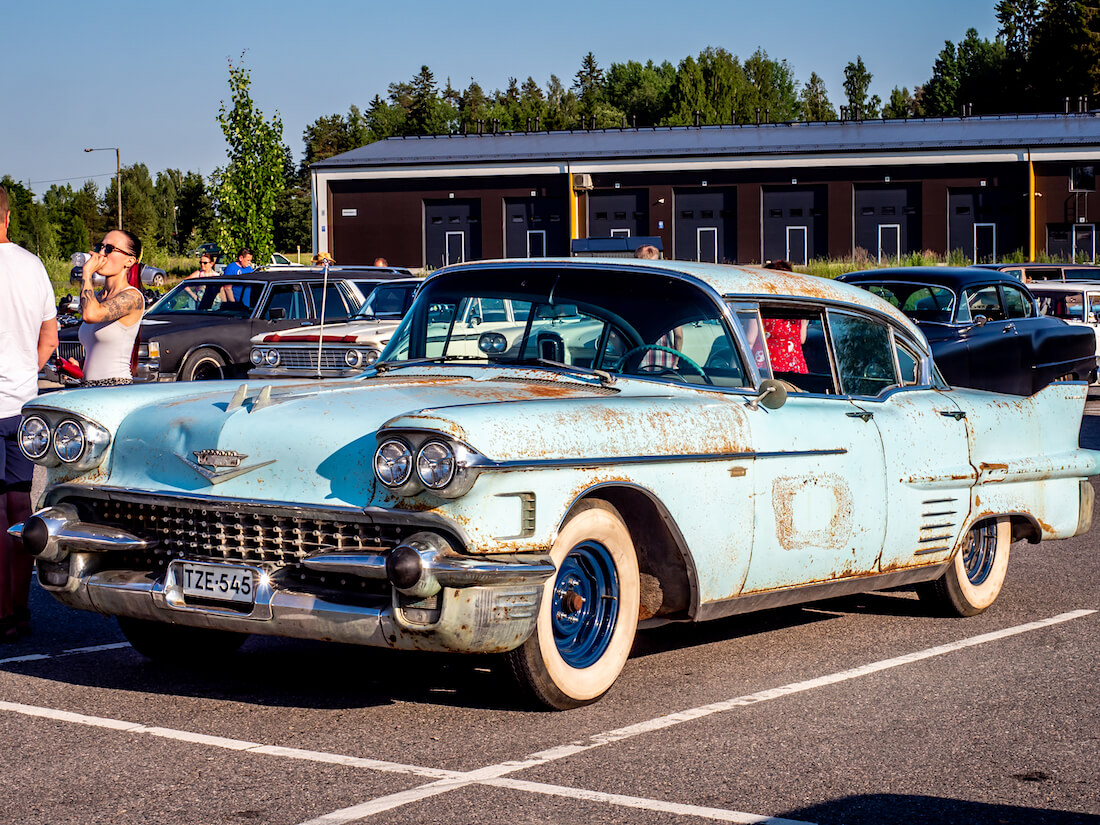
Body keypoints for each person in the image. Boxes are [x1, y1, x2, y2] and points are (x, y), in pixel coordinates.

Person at [0, 185, 58, 641]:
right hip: (22, 406)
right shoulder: (33, 265)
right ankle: (19, 609)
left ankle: (3, 610)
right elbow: (51, 338)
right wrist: (25, 373)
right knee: (20, 505)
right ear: (8, 216)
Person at [77, 230, 145, 386]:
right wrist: (80, 365)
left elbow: (90, 315)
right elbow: (101, 353)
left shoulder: (133, 297)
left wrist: (87, 274)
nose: (101, 253)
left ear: (129, 261)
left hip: (114, 388)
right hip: (87, 389)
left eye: (109, 249)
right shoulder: (98, 298)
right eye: (100, 247)